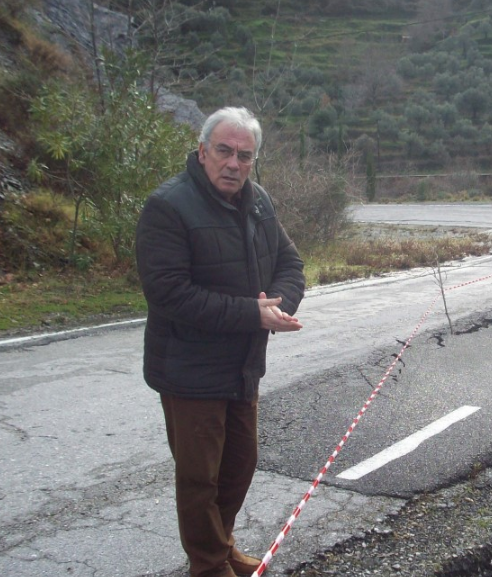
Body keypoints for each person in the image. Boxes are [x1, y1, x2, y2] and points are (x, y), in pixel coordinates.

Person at [136, 107, 306, 577]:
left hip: (242, 366)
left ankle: (220, 545)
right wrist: (251, 314)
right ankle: (209, 567)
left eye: (244, 156)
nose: (233, 163)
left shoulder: (259, 203)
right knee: (199, 479)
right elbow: (169, 293)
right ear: (202, 151)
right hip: (188, 370)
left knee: (239, 467)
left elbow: (290, 264)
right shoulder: (168, 206)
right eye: (224, 151)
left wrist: (277, 305)